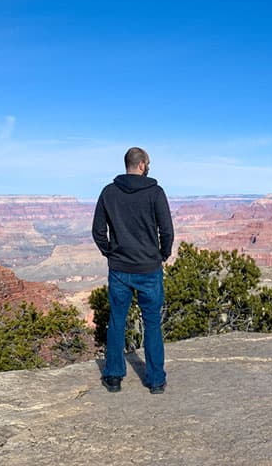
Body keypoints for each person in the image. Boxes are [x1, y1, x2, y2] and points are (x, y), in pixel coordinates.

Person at [92, 147, 174, 394]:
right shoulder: (155, 193)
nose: (148, 167)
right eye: (148, 163)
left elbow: (98, 231)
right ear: (141, 165)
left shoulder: (109, 192)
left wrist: (111, 253)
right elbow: (167, 230)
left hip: (120, 269)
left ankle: (114, 377)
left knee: (117, 321)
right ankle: (156, 381)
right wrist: (163, 254)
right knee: (151, 323)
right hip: (149, 268)